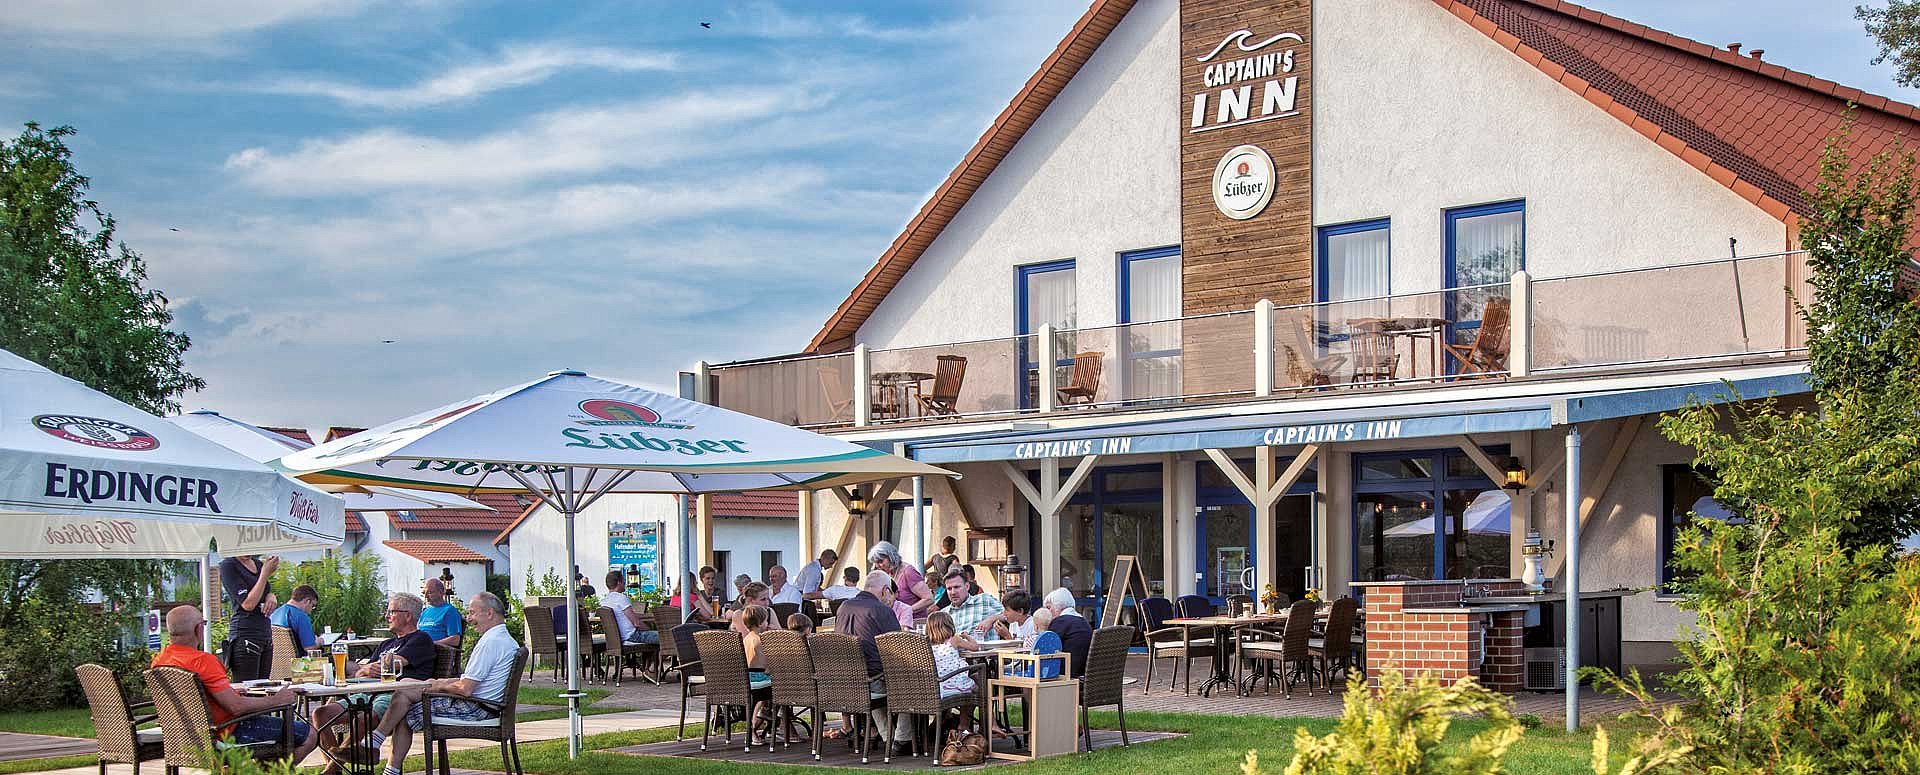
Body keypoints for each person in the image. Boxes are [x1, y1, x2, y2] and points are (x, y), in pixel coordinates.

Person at [361, 592, 519, 775]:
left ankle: (382, 752)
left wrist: (435, 685)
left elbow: (465, 689)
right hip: (484, 704)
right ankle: (377, 743)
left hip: (476, 709)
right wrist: (435, 682)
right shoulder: (503, 639)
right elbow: (469, 679)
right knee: (405, 687)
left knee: (405, 712)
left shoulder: (491, 642)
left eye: (472, 613)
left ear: (489, 613)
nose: (468, 619)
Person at [152, 606, 318, 762]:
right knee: (310, 734)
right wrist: (277, 700)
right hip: (225, 733)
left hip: (183, 736)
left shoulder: (159, 662)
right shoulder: (202, 661)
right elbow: (236, 707)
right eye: (204, 623)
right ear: (198, 629)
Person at [313, 593, 436, 752]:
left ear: (407, 616)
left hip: (395, 695)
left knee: (364, 719)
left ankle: (334, 766)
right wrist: (365, 670)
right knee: (320, 714)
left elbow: (394, 663)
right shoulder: (386, 643)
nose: (387, 616)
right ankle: (336, 766)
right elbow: (362, 672)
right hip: (368, 692)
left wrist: (368, 669)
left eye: (391, 612)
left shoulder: (421, 639)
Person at [219, 554, 278, 680]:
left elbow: (263, 591)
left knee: (264, 686)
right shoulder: (229, 565)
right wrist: (265, 574)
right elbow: (247, 603)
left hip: (264, 632)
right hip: (245, 633)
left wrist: (271, 596)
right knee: (248, 688)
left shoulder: (257, 564)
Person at [869, 541, 933, 614]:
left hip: (913, 622)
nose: (878, 566)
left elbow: (929, 599)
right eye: (875, 562)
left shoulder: (908, 572)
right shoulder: (888, 574)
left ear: (891, 557)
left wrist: (906, 611)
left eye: (880, 561)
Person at [1042, 588, 1091, 678]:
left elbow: (1045, 647)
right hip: (1083, 671)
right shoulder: (1083, 621)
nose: (1047, 612)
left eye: (1049, 608)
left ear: (1058, 607)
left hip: (1067, 673)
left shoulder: (1060, 621)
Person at [924, 612, 975, 697]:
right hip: (954, 682)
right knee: (977, 685)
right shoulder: (954, 640)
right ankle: (983, 708)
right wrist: (967, 636)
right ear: (949, 625)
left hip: (936, 685)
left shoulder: (926, 644)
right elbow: (975, 647)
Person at [600, 570, 658, 644]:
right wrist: (649, 630)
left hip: (617, 639)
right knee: (665, 636)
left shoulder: (604, 601)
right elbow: (636, 623)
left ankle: (650, 655)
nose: (625, 583)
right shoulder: (621, 598)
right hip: (631, 636)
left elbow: (624, 616)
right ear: (619, 582)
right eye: (623, 581)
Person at [942, 570, 1003, 636]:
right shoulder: (944, 614)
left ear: (967, 586)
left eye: (957, 587)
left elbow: (1009, 614)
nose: (953, 592)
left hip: (984, 645)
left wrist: (991, 619)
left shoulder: (984, 599)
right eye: (949, 589)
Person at [270, 584, 319, 655]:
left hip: (275, 662)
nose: (311, 610)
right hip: (297, 663)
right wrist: (320, 641)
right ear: (307, 601)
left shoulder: (274, 613)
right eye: (313, 606)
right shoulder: (301, 617)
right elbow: (309, 648)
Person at [418, 577, 465, 649]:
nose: (426, 597)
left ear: (440, 592)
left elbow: (455, 639)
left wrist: (432, 644)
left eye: (430, 592)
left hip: (434, 652)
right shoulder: (425, 611)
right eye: (424, 593)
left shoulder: (449, 611)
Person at [926, 536, 959, 606]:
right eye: (955, 545)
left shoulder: (935, 557)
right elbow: (957, 571)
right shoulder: (953, 558)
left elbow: (922, 568)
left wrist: (930, 577)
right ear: (952, 546)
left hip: (936, 587)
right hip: (946, 588)